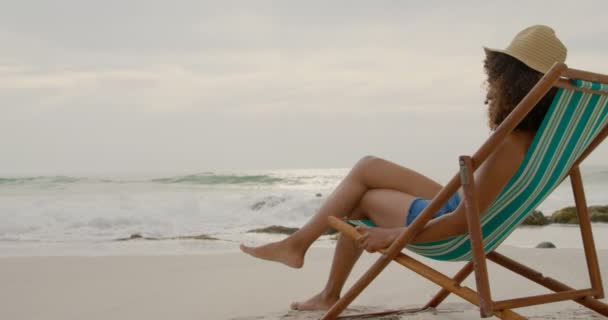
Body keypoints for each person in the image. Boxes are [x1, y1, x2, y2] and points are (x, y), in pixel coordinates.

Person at [240, 25, 567, 311]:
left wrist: (394, 234)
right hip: (463, 208)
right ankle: (302, 252)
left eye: (495, 74)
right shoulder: (543, 136)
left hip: (452, 225)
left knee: (361, 199)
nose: (490, 83)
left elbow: (463, 221)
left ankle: (317, 276)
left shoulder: (508, 144)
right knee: (368, 167)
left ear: (511, 80)